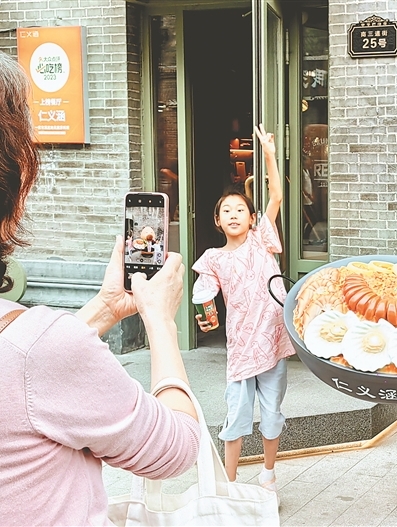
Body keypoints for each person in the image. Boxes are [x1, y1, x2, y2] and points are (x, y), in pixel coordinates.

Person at [0, 50, 200, 525]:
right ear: (15, 180)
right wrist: (160, 321)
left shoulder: (37, 350)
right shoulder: (40, 352)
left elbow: (28, 368)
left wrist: (106, 308)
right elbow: (176, 448)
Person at [193, 123, 295, 499]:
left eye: (241, 209)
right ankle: (229, 485)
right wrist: (205, 316)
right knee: (236, 416)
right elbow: (203, 294)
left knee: (272, 415)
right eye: (226, 210)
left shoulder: (261, 240)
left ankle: (268, 475)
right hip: (240, 349)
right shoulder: (212, 258)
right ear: (217, 221)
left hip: (273, 343)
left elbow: (276, 195)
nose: (234, 214)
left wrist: (269, 154)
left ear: (252, 219)